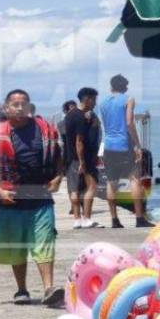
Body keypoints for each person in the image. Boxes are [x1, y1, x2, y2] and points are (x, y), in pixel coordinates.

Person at [0, 89, 64, 306]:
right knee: (17, 246)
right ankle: (21, 289)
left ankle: (48, 288)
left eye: (23, 103)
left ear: (29, 107)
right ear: (6, 108)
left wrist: (58, 178)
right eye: (15, 104)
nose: (19, 107)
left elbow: (59, 159)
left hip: (41, 197)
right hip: (11, 199)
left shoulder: (46, 131)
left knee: (44, 241)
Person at [99, 74, 151, 229]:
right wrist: (137, 145)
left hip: (108, 145)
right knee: (134, 180)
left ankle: (114, 220)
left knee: (111, 182)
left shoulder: (103, 103)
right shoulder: (129, 99)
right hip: (124, 144)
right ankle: (139, 218)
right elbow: (129, 123)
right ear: (125, 87)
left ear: (111, 86)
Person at [65, 87, 101, 229]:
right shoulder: (80, 117)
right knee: (91, 186)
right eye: (94, 100)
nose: (95, 103)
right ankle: (86, 218)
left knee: (74, 189)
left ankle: (77, 220)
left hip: (70, 157)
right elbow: (79, 141)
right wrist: (82, 162)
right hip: (82, 157)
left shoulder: (70, 115)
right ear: (87, 99)